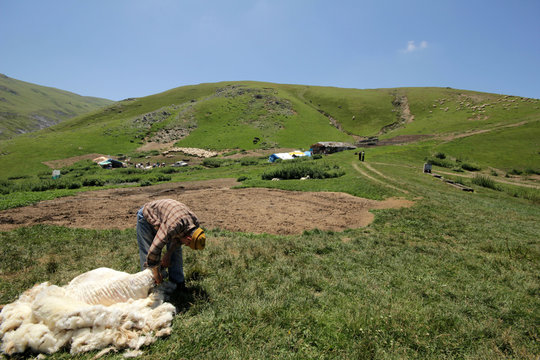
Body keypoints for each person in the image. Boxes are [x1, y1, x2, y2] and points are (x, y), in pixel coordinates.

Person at [136, 199, 205, 289]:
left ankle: (178, 284)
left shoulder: (194, 224)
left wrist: (168, 254)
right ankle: (149, 287)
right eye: (188, 244)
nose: (186, 245)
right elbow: (154, 250)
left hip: (168, 218)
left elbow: (178, 241)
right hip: (147, 216)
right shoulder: (172, 227)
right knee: (147, 251)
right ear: (188, 238)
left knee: (175, 251)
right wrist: (156, 274)